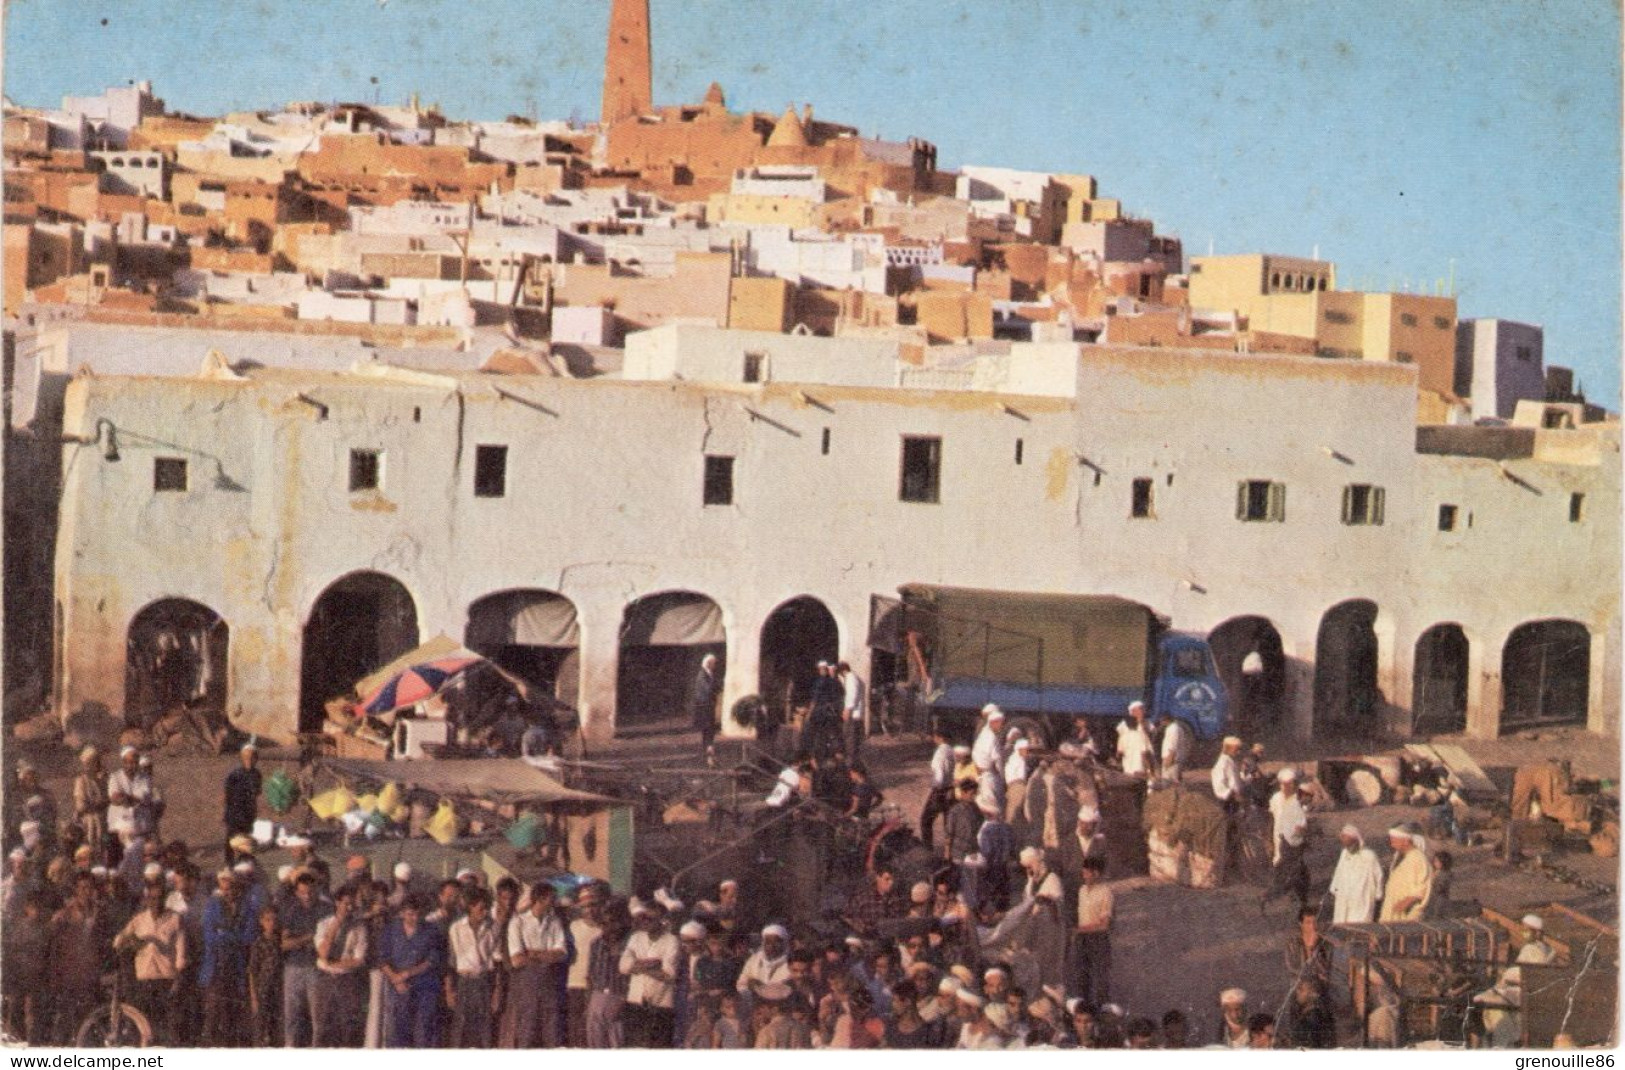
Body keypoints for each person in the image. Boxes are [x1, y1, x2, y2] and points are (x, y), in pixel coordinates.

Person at [503, 881, 568, 1047]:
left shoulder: (554, 922)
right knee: (527, 1030)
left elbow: (561, 953)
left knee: (551, 1031)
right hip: (527, 982)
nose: (554, 902)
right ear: (540, 898)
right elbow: (517, 960)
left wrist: (533, 953)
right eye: (551, 899)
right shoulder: (518, 922)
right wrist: (547, 954)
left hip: (549, 981)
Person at [379, 894, 445, 1048]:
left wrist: (407, 974)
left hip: (423, 987)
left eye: (418, 914)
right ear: (402, 913)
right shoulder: (390, 929)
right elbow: (382, 958)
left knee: (423, 1031)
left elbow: (432, 960)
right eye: (410, 914)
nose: (414, 918)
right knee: (396, 1032)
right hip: (397, 987)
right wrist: (396, 978)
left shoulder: (431, 930)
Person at [201, 868, 256, 1046]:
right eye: (224, 888)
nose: (228, 892)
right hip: (216, 966)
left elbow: (249, 936)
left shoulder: (246, 907)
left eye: (231, 887)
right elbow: (209, 937)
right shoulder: (212, 905)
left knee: (235, 1013)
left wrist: (224, 934)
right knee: (214, 1014)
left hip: (237, 966)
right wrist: (231, 936)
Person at [279, 868, 330, 1046]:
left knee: (318, 1017)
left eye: (309, 892)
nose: (306, 896)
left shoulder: (325, 909)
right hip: (293, 967)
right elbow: (284, 944)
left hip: (316, 967)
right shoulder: (291, 910)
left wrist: (299, 940)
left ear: (316, 889)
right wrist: (309, 937)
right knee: (292, 1015)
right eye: (302, 892)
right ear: (296, 892)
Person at [314, 883, 369, 1047]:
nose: (350, 908)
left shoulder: (359, 927)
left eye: (352, 904)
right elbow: (323, 953)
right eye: (346, 903)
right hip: (325, 979)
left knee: (348, 1027)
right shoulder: (324, 924)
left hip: (347, 980)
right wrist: (338, 923)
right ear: (337, 903)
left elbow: (359, 960)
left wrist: (334, 963)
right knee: (323, 1026)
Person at [620, 899, 679, 1047]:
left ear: (661, 919)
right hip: (636, 1002)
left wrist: (639, 965)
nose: (645, 922)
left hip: (661, 1004)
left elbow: (669, 975)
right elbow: (623, 966)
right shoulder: (636, 937)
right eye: (643, 918)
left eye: (650, 918)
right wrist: (653, 964)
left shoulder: (672, 941)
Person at [446, 887, 498, 1047]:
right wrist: (448, 990)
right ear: (470, 907)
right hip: (464, 982)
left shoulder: (492, 928)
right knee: (460, 1030)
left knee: (485, 1030)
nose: (484, 912)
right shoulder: (456, 928)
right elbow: (451, 962)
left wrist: (497, 991)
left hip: (483, 982)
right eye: (480, 908)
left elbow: (496, 962)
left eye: (486, 908)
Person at [1262, 768, 1310, 913]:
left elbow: (1306, 817)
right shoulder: (1276, 798)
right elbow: (1270, 818)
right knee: (1282, 867)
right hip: (1280, 838)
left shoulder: (1300, 797)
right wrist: (1268, 839)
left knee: (1296, 868)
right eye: (1284, 784)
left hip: (1295, 840)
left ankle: (1298, 898)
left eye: (1291, 784)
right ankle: (1272, 898)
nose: (1287, 787)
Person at [1071, 857, 1113, 1007]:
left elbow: (1104, 925)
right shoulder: (1082, 890)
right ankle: (1085, 1009)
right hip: (1082, 940)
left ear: (1096, 873)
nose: (1084, 876)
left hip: (1098, 939)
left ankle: (1103, 1010)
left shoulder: (1105, 892)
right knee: (1082, 976)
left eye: (1087, 873)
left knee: (1100, 978)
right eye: (1083, 872)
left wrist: (1079, 930)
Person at [1328, 824, 1384, 924]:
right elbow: (1338, 872)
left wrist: (1378, 895)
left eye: (1345, 836)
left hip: (1362, 898)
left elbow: (1378, 876)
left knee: (1360, 926)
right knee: (1342, 925)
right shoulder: (1344, 854)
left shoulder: (1369, 856)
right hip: (1344, 897)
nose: (1342, 839)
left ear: (1354, 838)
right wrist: (1335, 889)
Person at [247, 905, 283, 1046]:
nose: (271, 923)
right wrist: (254, 997)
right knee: (260, 1028)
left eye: (274, 920)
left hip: (278, 989)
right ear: (261, 922)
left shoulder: (280, 941)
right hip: (262, 989)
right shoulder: (258, 943)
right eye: (268, 920)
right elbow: (252, 971)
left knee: (276, 1027)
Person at [1378, 827, 1432, 921]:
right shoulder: (1404, 859)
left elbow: (1422, 888)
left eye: (1394, 839)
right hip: (1394, 911)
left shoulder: (1418, 859)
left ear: (1406, 841)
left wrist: (1406, 902)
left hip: (1407, 914)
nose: (1391, 843)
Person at [223, 743, 262, 866]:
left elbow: (257, 791)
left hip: (249, 812)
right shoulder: (235, 775)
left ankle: (245, 862)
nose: (249, 760)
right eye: (246, 757)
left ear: (256, 758)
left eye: (252, 757)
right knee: (232, 839)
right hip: (235, 811)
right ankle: (229, 863)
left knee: (246, 838)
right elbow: (227, 794)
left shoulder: (257, 774)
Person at [73, 747, 109, 865]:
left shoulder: (101, 780)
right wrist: (98, 804)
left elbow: (108, 799)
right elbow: (81, 806)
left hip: (102, 820)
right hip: (89, 821)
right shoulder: (81, 781)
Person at [920, 728, 955, 849]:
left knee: (925, 821)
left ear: (939, 737)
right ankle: (949, 852)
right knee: (948, 824)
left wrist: (936, 789)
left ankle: (928, 849)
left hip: (940, 790)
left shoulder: (940, 752)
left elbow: (939, 774)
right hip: (951, 789)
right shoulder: (951, 750)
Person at [1285, 906, 1332, 990]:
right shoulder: (1292, 944)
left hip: (1320, 987)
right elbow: (1293, 968)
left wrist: (1314, 946)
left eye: (1314, 922)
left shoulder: (1324, 944)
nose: (1312, 927)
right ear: (1301, 924)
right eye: (1308, 923)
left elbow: (1325, 969)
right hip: (1299, 987)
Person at [971, 705, 1007, 811]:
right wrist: (1002, 777)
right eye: (1000, 723)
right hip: (989, 777)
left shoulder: (984, 733)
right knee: (993, 809)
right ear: (993, 722)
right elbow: (998, 760)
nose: (1002, 726)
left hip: (982, 774)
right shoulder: (991, 738)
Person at [691, 653, 723, 763]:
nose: (715, 665)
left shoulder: (709, 674)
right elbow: (708, 689)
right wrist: (716, 687)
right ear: (708, 663)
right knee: (708, 730)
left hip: (708, 707)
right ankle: (708, 753)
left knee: (709, 731)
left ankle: (709, 753)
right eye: (713, 663)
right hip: (704, 707)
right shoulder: (702, 675)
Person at [1115, 702, 1155, 779]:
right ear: (1133, 711)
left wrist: (1142, 724)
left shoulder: (1147, 723)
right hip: (1130, 757)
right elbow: (1120, 742)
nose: (1143, 711)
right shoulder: (1124, 724)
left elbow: (1150, 736)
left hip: (1142, 759)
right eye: (1140, 709)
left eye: (1143, 709)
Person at [838, 661, 866, 759]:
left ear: (843, 670)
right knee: (853, 740)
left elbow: (852, 695)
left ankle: (851, 761)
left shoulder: (850, 678)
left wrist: (847, 710)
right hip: (856, 714)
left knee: (850, 739)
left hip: (852, 714)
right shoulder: (854, 678)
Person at [1210, 736, 1244, 811]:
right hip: (1227, 802)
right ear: (1228, 748)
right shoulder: (1222, 763)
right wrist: (1233, 795)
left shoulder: (1231, 761)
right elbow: (1219, 785)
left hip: (1235, 800)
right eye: (1236, 750)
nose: (1239, 752)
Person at [1158, 714, 1190, 783]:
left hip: (1172, 760)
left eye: (1161, 721)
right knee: (1172, 780)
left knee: (1170, 782)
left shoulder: (1174, 729)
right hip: (1172, 759)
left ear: (1165, 720)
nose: (1161, 723)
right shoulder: (1172, 728)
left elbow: (1173, 745)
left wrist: (1169, 759)